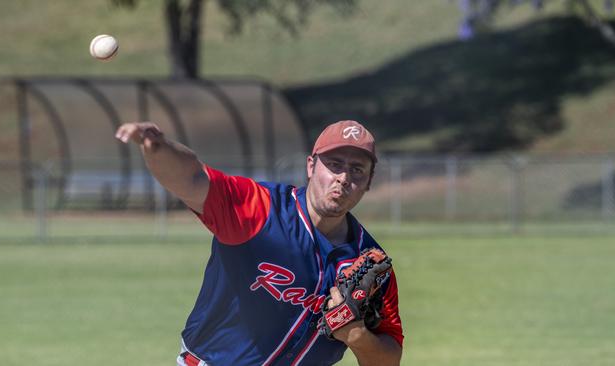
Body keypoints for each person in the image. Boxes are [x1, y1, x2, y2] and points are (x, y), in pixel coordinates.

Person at [115, 119, 403, 366]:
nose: (342, 178)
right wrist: (157, 145)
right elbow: (191, 178)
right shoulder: (262, 210)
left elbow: (389, 358)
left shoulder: (370, 262)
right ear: (311, 166)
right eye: (334, 164)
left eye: (356, 170)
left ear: (369, 180)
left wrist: (355, 335)